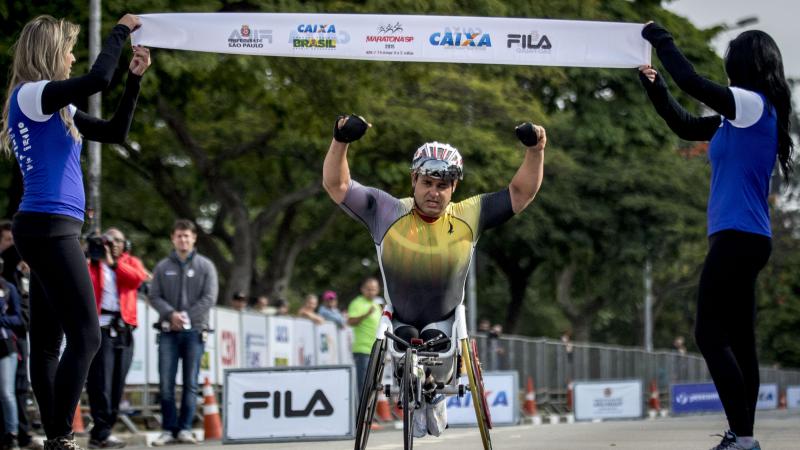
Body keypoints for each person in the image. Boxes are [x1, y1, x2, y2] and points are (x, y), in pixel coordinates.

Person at [323, 114, 546, 437]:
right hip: (399, 321)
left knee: (433, 339)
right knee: (408, 334)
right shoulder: (386, 211)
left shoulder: (468, 214)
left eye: (443, 186)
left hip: (446, 322)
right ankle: (411, 389)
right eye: (427, 183)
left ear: (454, 187)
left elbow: (520, 193)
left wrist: (535, 150)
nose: (434, 193)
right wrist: (340, 141)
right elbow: (337, 185)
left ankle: (435, 391)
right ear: (414, 179)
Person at [639, 22, 792, 450]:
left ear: (744, 64)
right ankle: (744, 436)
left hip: (738, 236)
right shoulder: (737, 117)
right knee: (740, 339)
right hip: (742, 237)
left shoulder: (753, 105)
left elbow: (691, 81)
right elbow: (685, 125)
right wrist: (654, 87)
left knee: (709, 333)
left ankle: (742, 438)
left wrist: (660, 39)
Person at [0, 14, 150, 450]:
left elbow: (115, 132)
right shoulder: (33, 95)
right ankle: (61, 435)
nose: (71, 56)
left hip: (46, 228)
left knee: (48, 344)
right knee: (87, 335)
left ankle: (55, 436)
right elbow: (100, 78)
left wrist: (135, 79)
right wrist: (120, 33)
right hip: (48, 228)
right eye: (68, 49)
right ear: (49, 52)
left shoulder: (56, 105)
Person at [149, 220, 218, 446]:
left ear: (194, 238)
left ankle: (186, 429)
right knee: (166, 383)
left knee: (190, 383)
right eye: (179, 236)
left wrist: (186, 317)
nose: (183, 240)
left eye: (187, 236)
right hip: (168, 331)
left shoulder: (206, 266)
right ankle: (169, 429)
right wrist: (171, 315)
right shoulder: (162, 267)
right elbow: (154, 295)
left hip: (195, 332)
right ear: (173, 238)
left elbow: (209, 298)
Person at [85, 228, 148, 449]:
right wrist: (90, 252)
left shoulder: (129, 262)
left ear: (125, 243)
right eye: (109, 241)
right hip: (100, 329)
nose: (113, 244)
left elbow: (136, 280)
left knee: (117, 384)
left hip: (124, 329)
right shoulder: (92, 263)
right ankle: (101, 431)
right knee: (100, 383)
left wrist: (113, 262)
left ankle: (104, 430)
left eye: (118, 241)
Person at [0, 258, 24, 450]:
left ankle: (12, 433)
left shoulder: (8, 288)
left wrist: (1, 319)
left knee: (6, 392)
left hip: (5, 345)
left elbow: (18, 318)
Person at [346, 277, 382, 396]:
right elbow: (350, 321)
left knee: (373, 385)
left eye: (374, 289)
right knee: (363, 385)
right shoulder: (357, 303)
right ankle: (360, 414)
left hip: (376, 350)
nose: (371, 292)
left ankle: (369, 412)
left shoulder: (376, 305)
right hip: (362, 351)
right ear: (362, 289)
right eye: (369, 289)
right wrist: (366, 314)